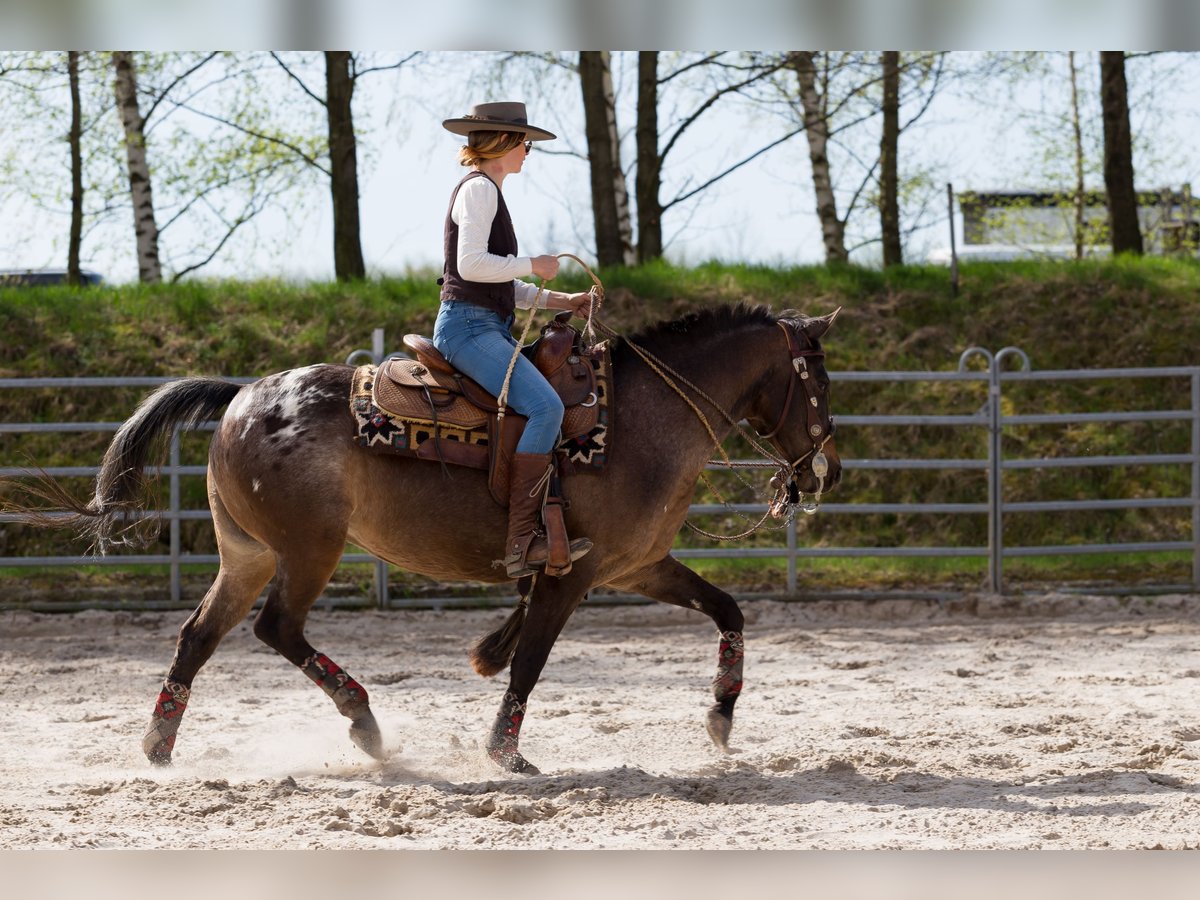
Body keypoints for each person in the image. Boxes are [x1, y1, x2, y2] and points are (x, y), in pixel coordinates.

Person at [434, 101, 593, 578]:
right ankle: (523, 541)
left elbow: (499, 284)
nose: (528, 152)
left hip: (481, 324)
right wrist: (533, 264)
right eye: (525, 143)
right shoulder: (481, 190)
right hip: (469, 329)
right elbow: (471, 266)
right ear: (503, 142)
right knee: (547, 408)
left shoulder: (485, 191)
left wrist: (562, 298)